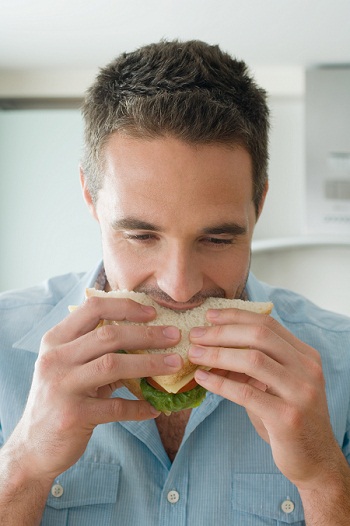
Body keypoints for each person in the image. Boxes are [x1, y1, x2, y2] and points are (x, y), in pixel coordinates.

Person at [0, 40, 349, 526]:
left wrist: (326, 482)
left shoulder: (342, 365)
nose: (180, 287)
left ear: (259, 205)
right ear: (91, 198)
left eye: (219, 238)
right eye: (142, 236)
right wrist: (21, 469)